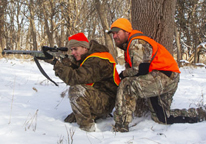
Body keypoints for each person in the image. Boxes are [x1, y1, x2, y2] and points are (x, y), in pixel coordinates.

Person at [108, 18, 206, 132]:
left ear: (126, 31)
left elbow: (140, 70)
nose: (114, 36)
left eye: (117, 32)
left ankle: (120, 126)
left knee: (127, 85)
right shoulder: (131, 43)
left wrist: (122, 75)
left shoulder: (136, 42)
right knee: (162, 117)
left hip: (163, 76)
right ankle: (199, 113)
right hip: (167, 76)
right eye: (113, 34)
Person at [53, 33, 120, 132]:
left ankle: (87, 129)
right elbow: (80, 68)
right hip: (99, 96)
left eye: (75, 49)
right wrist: (64, 62)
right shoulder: (90, 57)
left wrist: (56, 64)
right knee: (69, 120)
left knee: (76, 90)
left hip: (106, 102)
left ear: (85, 47)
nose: (73, 52)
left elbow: (76, 78)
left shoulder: (97, 60)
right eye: (71, 50)